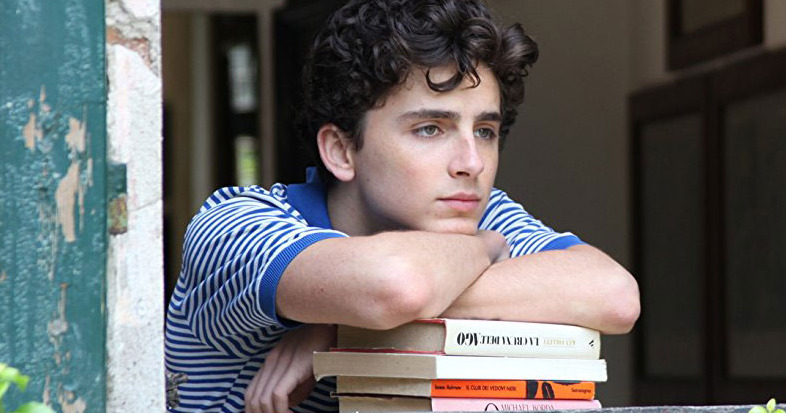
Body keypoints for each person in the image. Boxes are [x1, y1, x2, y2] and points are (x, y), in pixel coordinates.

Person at [164, 0, 640, 412]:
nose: (472, 163)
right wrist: (486, 247)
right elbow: (397, 285)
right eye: (430, 129)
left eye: (484, 131)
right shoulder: (234, 225)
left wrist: (338, 324)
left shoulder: (471, 213)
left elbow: (614, 295)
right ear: (341, 150)